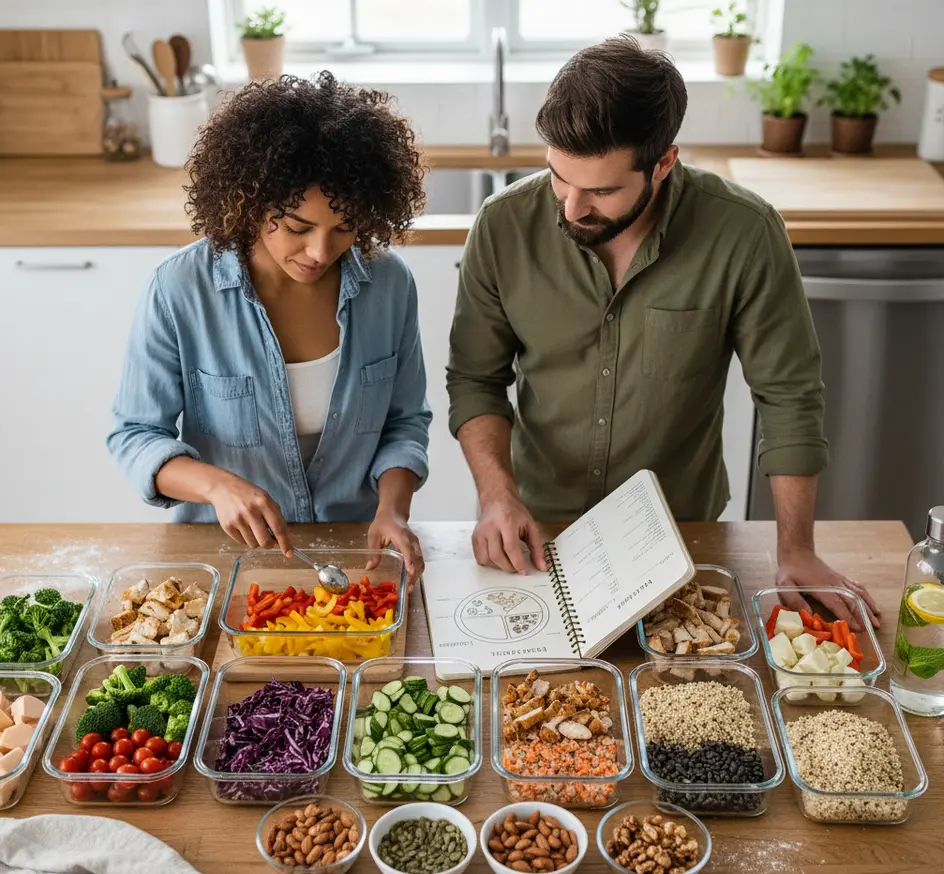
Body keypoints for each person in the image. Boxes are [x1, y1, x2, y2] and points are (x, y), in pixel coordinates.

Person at [446, 36, 879, 627]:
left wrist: (795, 549)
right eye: (558, 179)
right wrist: (497, 494)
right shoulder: (502, 226)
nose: (571, 209)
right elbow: (476, 378)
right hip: (536, 527)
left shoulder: (744, 233)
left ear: (664, 163)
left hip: (683, 533)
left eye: (600, 190)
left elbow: (789, 396)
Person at [108, 73, 430, 580]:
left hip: (355, 549)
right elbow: (135, 435)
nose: (321, 253)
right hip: (224, 556)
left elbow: (405, 422)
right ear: (251, 200)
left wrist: (392, 509)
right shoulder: (179, 290)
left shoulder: (388, 285)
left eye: (344, 229)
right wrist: (216, 486)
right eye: (299, 228)